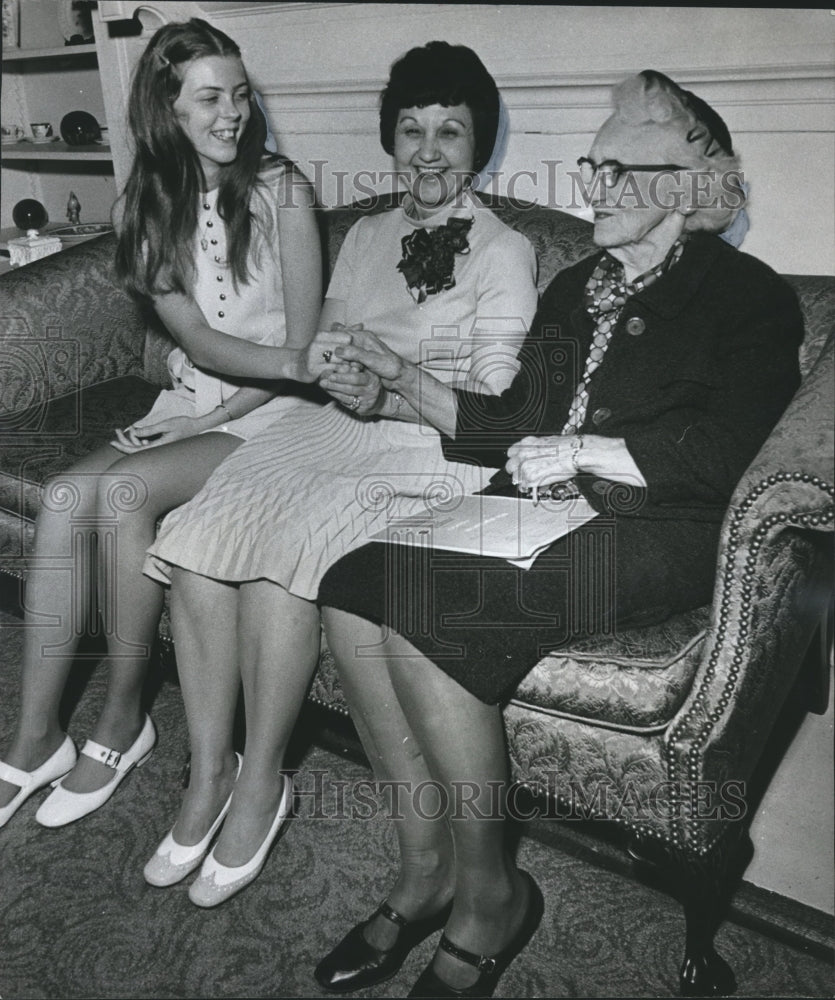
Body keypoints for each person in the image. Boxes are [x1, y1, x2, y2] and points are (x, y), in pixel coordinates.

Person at [314, 69, 804, 997]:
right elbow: (511, 422)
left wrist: (584, 448)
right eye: (594, 164)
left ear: (695, 187)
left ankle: (491, 898)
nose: (595, 186)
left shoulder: (751, 298)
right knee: (347, 590)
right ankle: (425, 872)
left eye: (623, 168)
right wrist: (395, 381)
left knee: (432, 625)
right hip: (534, 506)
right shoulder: (579, 284)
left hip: (656, 523)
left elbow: (729, 449)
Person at [141, 41, 538, 905]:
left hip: (428, 448)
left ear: (481, 146)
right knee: (202, 531)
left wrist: (390, 388)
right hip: (333, 424)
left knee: (289, 552)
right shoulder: (364, 232)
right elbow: (321, 344)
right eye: (410, 129)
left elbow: (494, 404)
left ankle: (262, 782)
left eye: (451, 132)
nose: (427, 150)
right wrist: (337, 371)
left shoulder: (505, 249)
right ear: (389, 138)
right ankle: (210, 771)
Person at [0, 18, 343, 830]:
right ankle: (32, 741)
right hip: (192, 400)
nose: (233, 113)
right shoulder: (149, 203)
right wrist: (189, 414)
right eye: (210, 98)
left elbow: (300, 354)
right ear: (168, 110)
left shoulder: (284, 190)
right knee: (60, 503)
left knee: (120, 495)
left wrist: (218, 413)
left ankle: (122, 723)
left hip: (277, 409)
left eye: (241, 94)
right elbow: (192, 339)